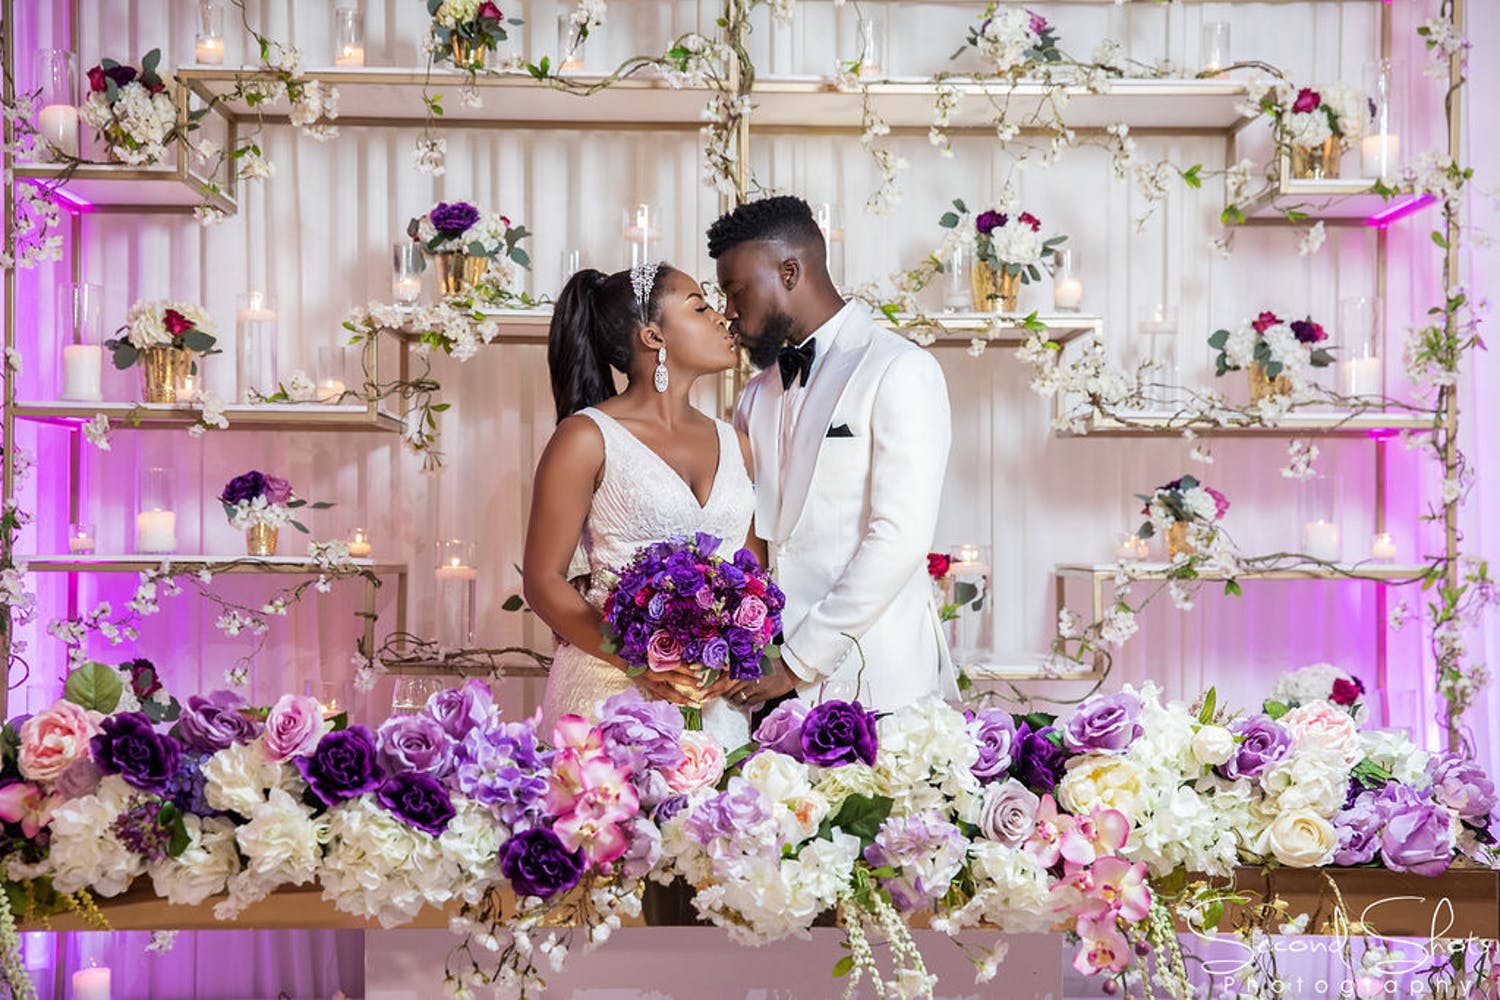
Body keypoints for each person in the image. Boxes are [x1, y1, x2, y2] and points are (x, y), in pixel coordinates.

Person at [709, 195, 956, 713]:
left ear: (791, 271)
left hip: (877, 681)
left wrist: (799, 660)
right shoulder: (755, 395)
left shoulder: (899, 369)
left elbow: (900, 537)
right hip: (770, 693)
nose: (728, 312)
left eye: (735, 291)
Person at [522, 262, 757, 748]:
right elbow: (543, 582)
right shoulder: (585, 438)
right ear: (653, 337)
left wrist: (745, 654)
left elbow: (754, 575)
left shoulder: (737, 443)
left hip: (714, 709)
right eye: (700, 307)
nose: (721, 319)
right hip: (607, 702)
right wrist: (638, 660)